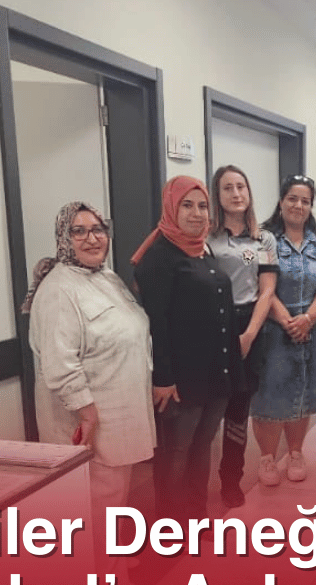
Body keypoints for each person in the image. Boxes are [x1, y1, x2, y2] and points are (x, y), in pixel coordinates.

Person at [25, 200, 155, 585]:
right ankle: (100, 582)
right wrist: (87, 412)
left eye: (98, 229)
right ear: (64, 239)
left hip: (121, 409)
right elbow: (59, 363)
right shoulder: (59, 289)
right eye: (79, 231)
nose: (92, 238)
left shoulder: (106, 277)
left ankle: (113, 565)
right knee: (96, 503)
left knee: (114, 498)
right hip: (91, 418)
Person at [132, 176, 242, 522]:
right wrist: (163, 378)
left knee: (202, 447)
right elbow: (156, 323)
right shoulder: (159, 258)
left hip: (215, 373)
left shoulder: (202, 248)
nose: (196, 214)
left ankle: (197, 516)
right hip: (181, 380)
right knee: (176, 454)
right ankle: (170, 526)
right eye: (187, 205)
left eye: (202, 206)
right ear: (171, 208)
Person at [251, 175, 316, 484]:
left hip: (313, 327)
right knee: (270, 394)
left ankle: (296, 452)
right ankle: (267, 458)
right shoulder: (263, 239)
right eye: (293, 199)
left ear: (311, 206)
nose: (299, 205)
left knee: (304, 392)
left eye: (305, 201)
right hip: (272, 327)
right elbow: (261, 286)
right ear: (281, 201)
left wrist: (308, 319)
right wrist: (288, 321)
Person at [206, 165, 278, 508]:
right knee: (207, 410)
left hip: (250, 323)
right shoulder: (205, 237)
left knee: (238, 409)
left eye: (241, 187)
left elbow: (267, 290)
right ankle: (194, 482)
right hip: (211, 326)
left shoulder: (263, 239)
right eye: (227, 188)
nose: (236, 194)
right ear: (217, 195)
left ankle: (230, 479)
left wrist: (249, 335)